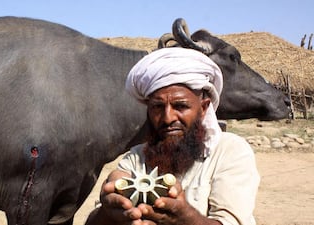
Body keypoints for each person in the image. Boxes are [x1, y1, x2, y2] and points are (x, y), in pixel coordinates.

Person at [85, 48, 260, 225]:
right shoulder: (136, 158)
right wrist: (109, 211)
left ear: (204, 108)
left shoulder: (230, 151)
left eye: (180, 106)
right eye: (158, 107)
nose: (168, 118)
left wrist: (184, 218)